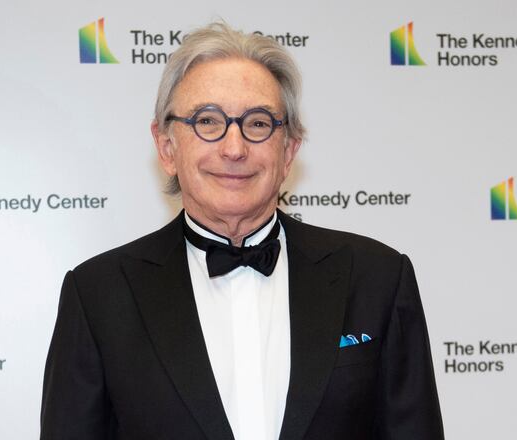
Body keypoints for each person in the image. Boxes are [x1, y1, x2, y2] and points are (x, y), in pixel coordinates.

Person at [41, 22, 443, 440]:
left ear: (288, 150)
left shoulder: (377, 278)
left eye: (258, 123)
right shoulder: (98, 296)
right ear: (166, 147)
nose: (234, 149)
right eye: (208, 121)